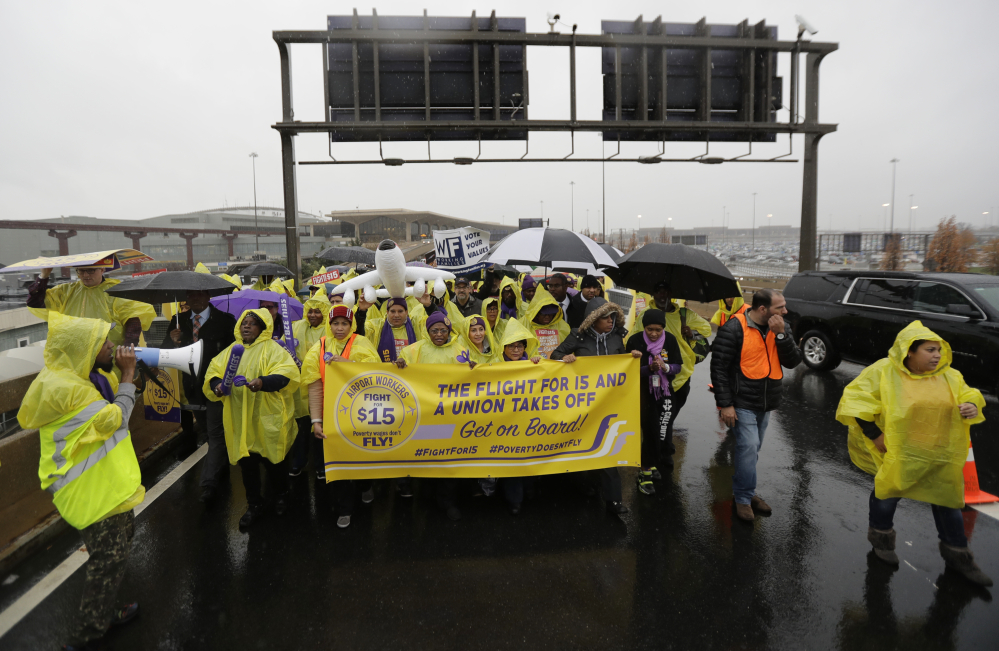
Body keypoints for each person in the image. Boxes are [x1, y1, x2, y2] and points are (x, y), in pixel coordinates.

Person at [18, 313, 143, 650]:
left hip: (101, 485)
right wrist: (129, 372)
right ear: (83, 349)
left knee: (112, 552)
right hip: (90, 492)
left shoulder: (75, 377)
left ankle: (102, 612)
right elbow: (115, 418)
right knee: (108, 560)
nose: (111, 345)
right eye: (103, 342)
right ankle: (87, 634)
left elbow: (114, 397)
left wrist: (122, 374)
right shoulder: (70, 389)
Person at [836, 321, 991, 586]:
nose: (937, 356)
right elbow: (855, 400)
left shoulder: (949, 376)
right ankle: (882, 542)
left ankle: (959, 557)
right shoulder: (884, 372)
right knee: (888, 495)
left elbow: (969, 395)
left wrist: (971, 406)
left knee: (948, 502)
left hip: (939, 454)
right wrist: (876, 435)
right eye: (930, 350)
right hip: (900, 453)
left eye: (939, 351)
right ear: (909, 351)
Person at [710, 288, 801, 522]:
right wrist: (725, 404)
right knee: (748, 446)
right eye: (780, 307)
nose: (785, 311)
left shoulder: (781, 326)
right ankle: (742, 498)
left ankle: (746, 491)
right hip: (741, 402)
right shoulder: (734, 328)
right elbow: (719, 368)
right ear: (763, 309)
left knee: (751, 450)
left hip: (766, 401)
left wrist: (781, 335)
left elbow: (792, 361)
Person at [204, 309, 300, 528]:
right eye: (243, 322)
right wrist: (217, 385)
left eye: (252, 323)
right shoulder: (231, 350)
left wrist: (262, 382)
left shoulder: (273, 349)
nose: (246, 326)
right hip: (241, 419)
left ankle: (282, 496)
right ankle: (254, 504)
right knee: (248, 467)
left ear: (263, 328)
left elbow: (287, 374)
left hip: (268, 418)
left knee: (275, 463)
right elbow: (213, 372)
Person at [551, 297, 642, 515]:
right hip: (582, 405)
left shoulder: (618, 337)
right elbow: (555, 355)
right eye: (605, 318)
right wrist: (566, 357)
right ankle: (585, 484)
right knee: (583, 446)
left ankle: (614, 500)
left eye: (612, 317)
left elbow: (623, 365)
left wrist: (632, 357)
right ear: (593, 320)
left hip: (609, 404)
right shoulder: (577, 336)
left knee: (607, 448)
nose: (610, 321)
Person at [302, 305, 380, 528]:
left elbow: (374, 372)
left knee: (362, 457)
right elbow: (315, 387)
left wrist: (345, 364)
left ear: (351, 324)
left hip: (360, 415)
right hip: (332, 417)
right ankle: (345, 508)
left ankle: (365, 485)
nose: (339, 328)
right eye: (335, 323)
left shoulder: (361, 343)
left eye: (344, 323)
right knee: (337, 464)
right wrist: (316, 421)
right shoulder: (319, 347)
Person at [159, 289, 236, 501]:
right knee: (207, 430)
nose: (195, 299)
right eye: (191, 296)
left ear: (208, 297)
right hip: (191, 385)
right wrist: (171, 341)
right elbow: (166, 353)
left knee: (215, 431)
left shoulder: (225, 320)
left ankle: (210, 481)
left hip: (215, 384)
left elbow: (234, 352)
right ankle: (219, 464)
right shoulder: (178, 320)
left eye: (200, 295)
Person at [630, 280, 711, 465]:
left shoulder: (684, 314)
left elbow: (706, 330)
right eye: (658, 291)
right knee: (658, 418)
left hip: (680, 375)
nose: (662, 295)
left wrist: (691, 333)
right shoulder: (645, 315)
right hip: (653, 377)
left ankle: (661, 450)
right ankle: (661, 454)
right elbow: (634, 340)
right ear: (653, 294)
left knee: (667, 416)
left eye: (666, 291)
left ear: (671, 294)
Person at [395, 311, 466, 521]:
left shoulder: (460, 350)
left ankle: (447, 501)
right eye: (434, 330)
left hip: (449, 416)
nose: (439, 334)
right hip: (424, 414)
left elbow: (471, 380)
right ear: (427, 331)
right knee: (426, 456)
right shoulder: (414, 350)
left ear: (448, 331)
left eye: (443, 330)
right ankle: (426, 498)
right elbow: (399, 370)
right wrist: (399, 364)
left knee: (448, 459)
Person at [27, 264, 155, 348]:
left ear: (102, 269)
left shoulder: (117, 290)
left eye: (90, 270)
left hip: (109, 357)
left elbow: (133, 320)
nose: (85, 275)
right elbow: (36, 303)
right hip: (75, 356)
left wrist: (127, 349)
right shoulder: (66, 291)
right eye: (81, 271)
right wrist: (44, 276)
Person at [626, 309, 682, 495]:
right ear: (644, 327)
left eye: (658, 329)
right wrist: (648, 368)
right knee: (650, 430)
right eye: (650, 329)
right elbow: (627, 370)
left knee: (663, 430)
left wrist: (665, 367)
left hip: (665, 392)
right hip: (643, 394)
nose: (654, 333)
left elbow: (677, 367)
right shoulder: (635, 340)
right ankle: (645, 471)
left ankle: (653, 461)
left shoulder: (671, 340)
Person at [493, 318, 543, 514]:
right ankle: (515, 500)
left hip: (528, 423)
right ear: (504, 348)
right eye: (511, 346)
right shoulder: (493, 365)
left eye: (520, 346)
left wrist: (537, 364)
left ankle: (528, 488)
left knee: (528, 457)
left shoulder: (533, 364)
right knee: (511, 461)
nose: (515, 350)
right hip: (504, 423)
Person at [288, 293, 332, 476]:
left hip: (322, 386)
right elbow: (285, 346)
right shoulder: (295, 327)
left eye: (317, 312)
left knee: (320, 427)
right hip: (299, 387)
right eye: (310, 311)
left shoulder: (330, 331)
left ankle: (322, 465)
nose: (313, 315)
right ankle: (299, 460)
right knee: (301, 426)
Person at [362, 297, 426, 363]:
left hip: (411, 371)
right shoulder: (376, 326)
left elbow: (435, 323)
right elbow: (359, 333)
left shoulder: (416, 324)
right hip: (386, 372)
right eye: (392, 311)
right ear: (387, 312)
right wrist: (361, 311)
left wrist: (429, 306)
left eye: (400, 311)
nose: (396, 315)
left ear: (406, 312)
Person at [519, 286, 570, 360]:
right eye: (543, 314)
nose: (547, 317)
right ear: (536, 312)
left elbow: (569, 347)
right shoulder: (522, 325)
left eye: (551, 313)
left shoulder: (563, 325)